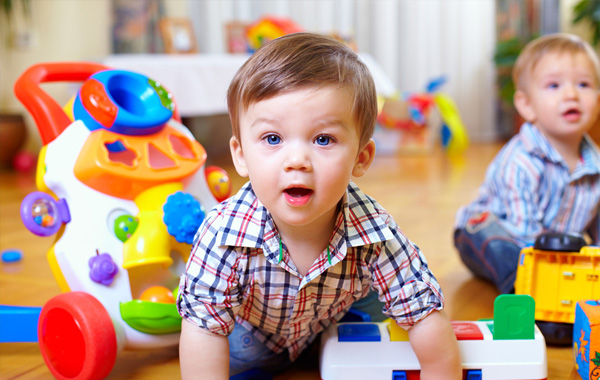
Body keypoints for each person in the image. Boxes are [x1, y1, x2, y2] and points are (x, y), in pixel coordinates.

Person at [177, 32, 461, 379]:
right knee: (226, 351)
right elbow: (204, 327)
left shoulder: (375, 230)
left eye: (323, 139)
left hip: (336, 323)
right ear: (241, 155)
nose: (297, 160)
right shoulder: (223, 233)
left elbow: (422, 311)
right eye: (272, 138)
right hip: (253, 337)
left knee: (378, 338)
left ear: (361, 157)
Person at [454, 33, 600, 294]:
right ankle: (521, 290)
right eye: (554, 86)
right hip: (495, 236)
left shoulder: (595, 165)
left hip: (557, 252)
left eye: (583, 85)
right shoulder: (520, 161)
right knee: (498, 242)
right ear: (526, 104)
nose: (571, 95)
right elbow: (524, 235)